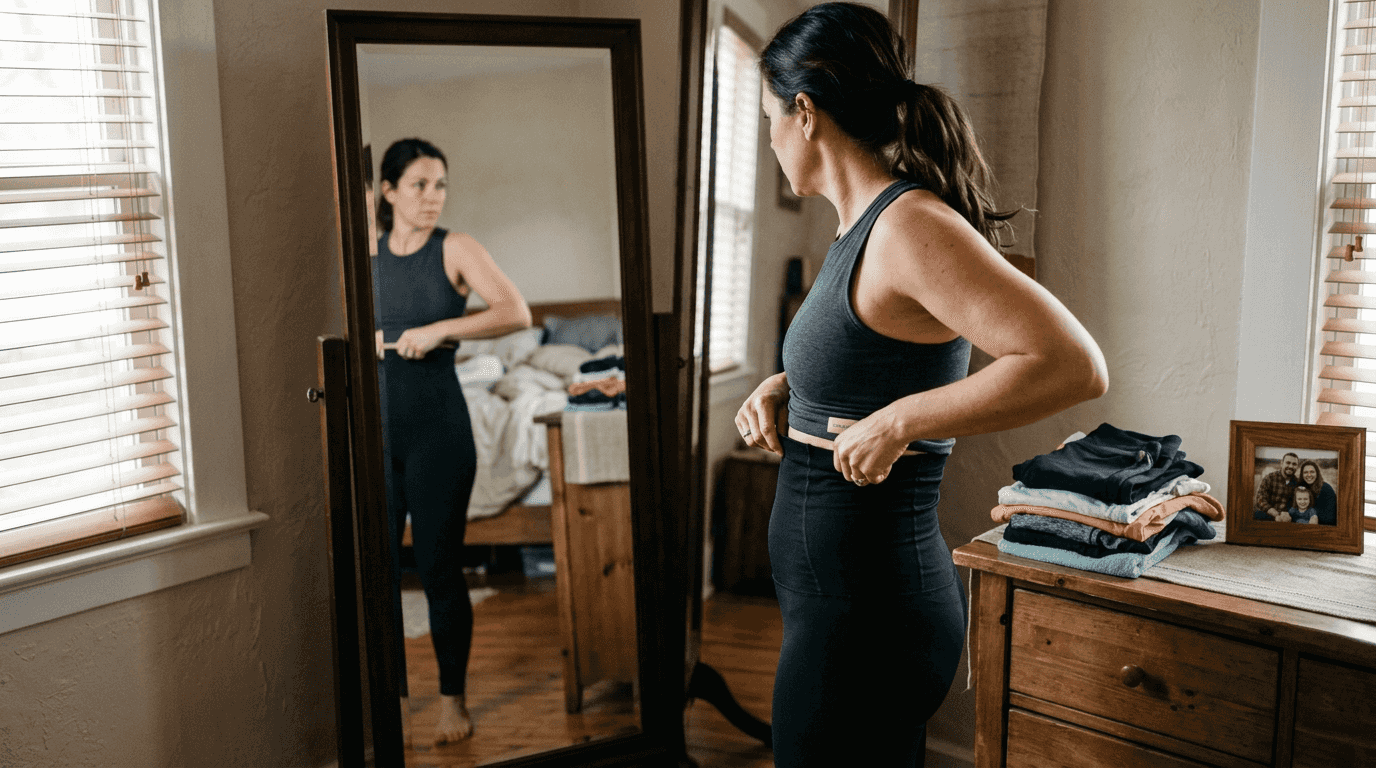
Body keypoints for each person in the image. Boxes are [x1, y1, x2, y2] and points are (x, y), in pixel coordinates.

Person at [734, 5, 1108, 766]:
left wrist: (900, 420)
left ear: (805, 113)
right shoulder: (859, 224)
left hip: (869, 617)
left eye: (771, 117)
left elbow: (1072, 363)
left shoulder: (907, 224)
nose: (769, 138)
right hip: (840, 611)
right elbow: (879, 349)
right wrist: (788, 383)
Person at [372, 137, 532, 744]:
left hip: (440, 432)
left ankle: (451, 704)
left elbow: (515, 311)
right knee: (377, 572)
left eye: (440, 185)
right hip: (377, 437)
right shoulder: (365, 254)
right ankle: (388, 703)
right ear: (389, 192)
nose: (432, 198)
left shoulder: (456, 248)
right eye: (418, 185)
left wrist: (439, 329)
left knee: (439, 569)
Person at [1254, 452, 1300, 522]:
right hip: (1270, 514)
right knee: (1257, 514)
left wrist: (1288, 514)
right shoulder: (1270, 478)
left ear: (1297, 466)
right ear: (1281, 463)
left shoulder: (1298, 483)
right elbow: (1260, 499)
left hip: (1288, 517)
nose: (1291, 466)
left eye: (1294, 464)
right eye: (1288, 463)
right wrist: (1276, 514)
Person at [1298, 460, 1338, 526]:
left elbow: (1330, 518)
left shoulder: (1326, 489)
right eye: (1305, 472)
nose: (1309, 475)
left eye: (1312, 472)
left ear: (1317, 473)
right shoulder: (1301, 488)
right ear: (1302, 475)